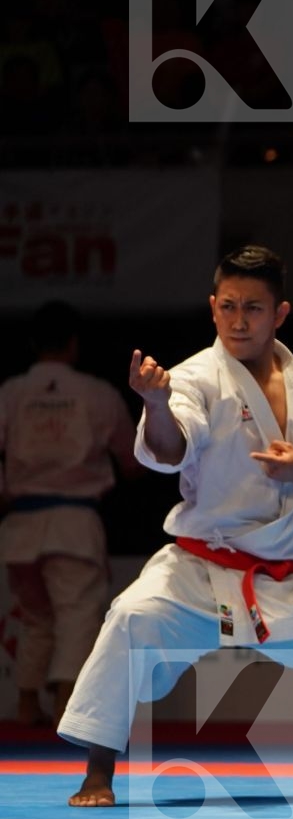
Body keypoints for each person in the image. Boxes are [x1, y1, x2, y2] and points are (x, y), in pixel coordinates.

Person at [57, 247, 293, 806]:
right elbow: (167, 452)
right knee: (132, 618)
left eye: (254, 308)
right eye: (229, 306)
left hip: (290, 576)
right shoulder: (192, 379)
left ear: (279, 313)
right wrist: (156, 406)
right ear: (213, 308)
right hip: (200, 571)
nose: (240, 321)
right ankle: (98, 772)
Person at [0, 302, 139, 724]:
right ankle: (65, 706)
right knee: (78, 615)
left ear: (32, 343)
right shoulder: (98, 394)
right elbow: (134, 460)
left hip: (20, 523)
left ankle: (26, 705)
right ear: (74, 344)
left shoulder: (11, 393)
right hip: (74, 522)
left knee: (36, 618)